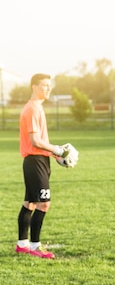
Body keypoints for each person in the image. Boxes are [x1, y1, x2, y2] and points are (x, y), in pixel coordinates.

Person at [16, 73, 73, 259]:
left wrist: (53, 155)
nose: (48, 89)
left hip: (37, 160)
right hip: (35, 161)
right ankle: (35, 247)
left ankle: (22, 244)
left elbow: (40, 143)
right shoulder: (32, 109)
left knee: (30, 203)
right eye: (44, 85)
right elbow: (35, 141)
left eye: (50, 85)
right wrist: (56, 149)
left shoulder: (36, 107)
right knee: (43, 204)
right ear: (34, 87)